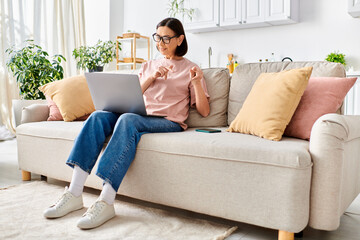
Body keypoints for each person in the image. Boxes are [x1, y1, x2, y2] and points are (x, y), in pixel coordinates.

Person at [43, 17, 210, 229]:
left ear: (180, 39)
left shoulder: (191, 68)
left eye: (166, 38)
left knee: (127, 120)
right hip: (137, 114)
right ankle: (74, 193)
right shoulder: (149, 65)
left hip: (168, 121)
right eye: (157, 37)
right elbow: (134, 94)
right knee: (97, 117)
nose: (160, 43)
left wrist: (196, 82)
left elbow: (204, 112)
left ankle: (106, 201)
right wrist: (152, 77)